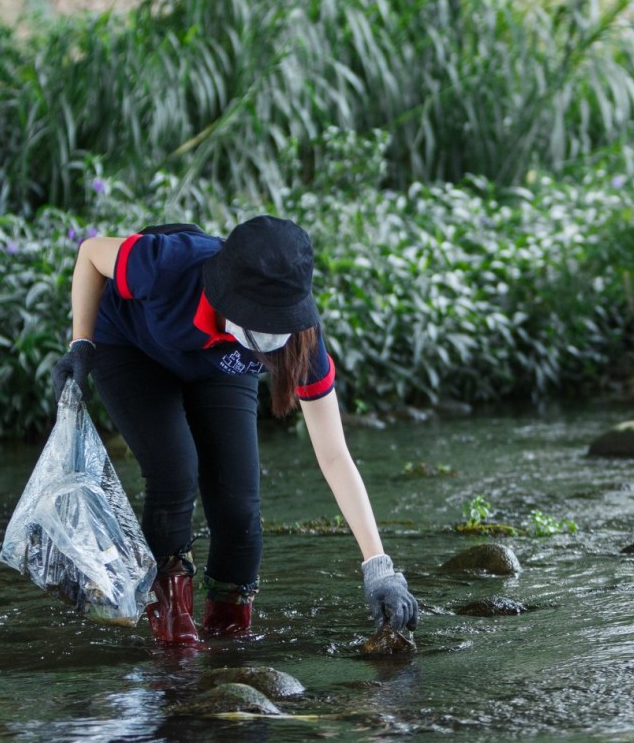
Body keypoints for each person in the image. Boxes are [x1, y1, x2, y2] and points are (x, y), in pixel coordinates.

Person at [50, 217, 420, 645]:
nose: (272, 331)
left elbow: (335, 455)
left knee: (239, 509)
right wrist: (81, 344)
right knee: (175, 471)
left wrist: (378, 566)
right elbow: (90, 254)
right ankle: (174, 647)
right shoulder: (169, 264)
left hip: (221, 366)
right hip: (131, 348)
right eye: (261, 321)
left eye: (279, 324)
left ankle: (229, 647)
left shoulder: (300, 336)